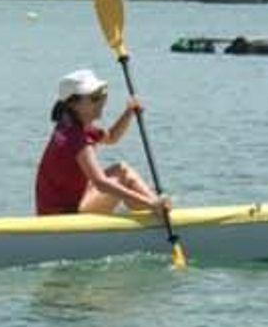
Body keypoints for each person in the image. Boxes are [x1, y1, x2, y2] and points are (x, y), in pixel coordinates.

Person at [34, 68, 170, 217]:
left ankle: (156, 210)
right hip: (63, 217)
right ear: (73, 104)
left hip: (72, 204)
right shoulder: (74, 136)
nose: (101, 101)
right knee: (120, 181)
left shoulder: (73, 125)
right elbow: (101, 183)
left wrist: (129, 111)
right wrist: (148, 203)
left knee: (121, 169)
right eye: (94, 98)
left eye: (102, 94)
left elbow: (111, 137)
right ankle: (156, 209)